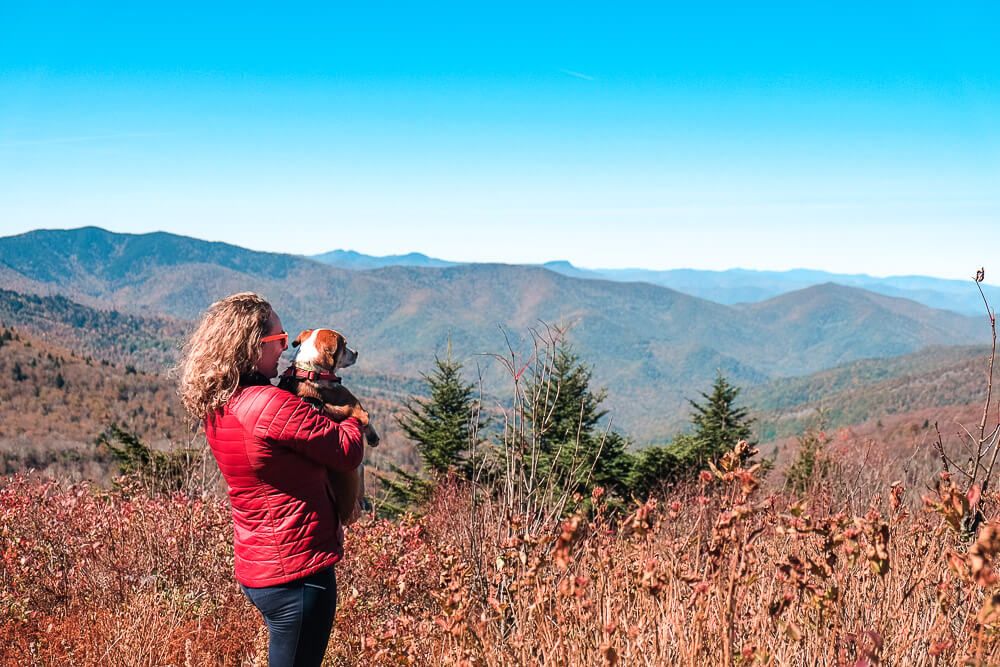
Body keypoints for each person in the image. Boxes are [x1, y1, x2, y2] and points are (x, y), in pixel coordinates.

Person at [177, 292, 365, 667]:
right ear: (250, 347)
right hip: (297, 572)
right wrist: (355, 417)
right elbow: (347, 451)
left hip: (260, 562)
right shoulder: (270, 404)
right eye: (277, 341)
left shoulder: (221, 403)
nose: (285, 348)